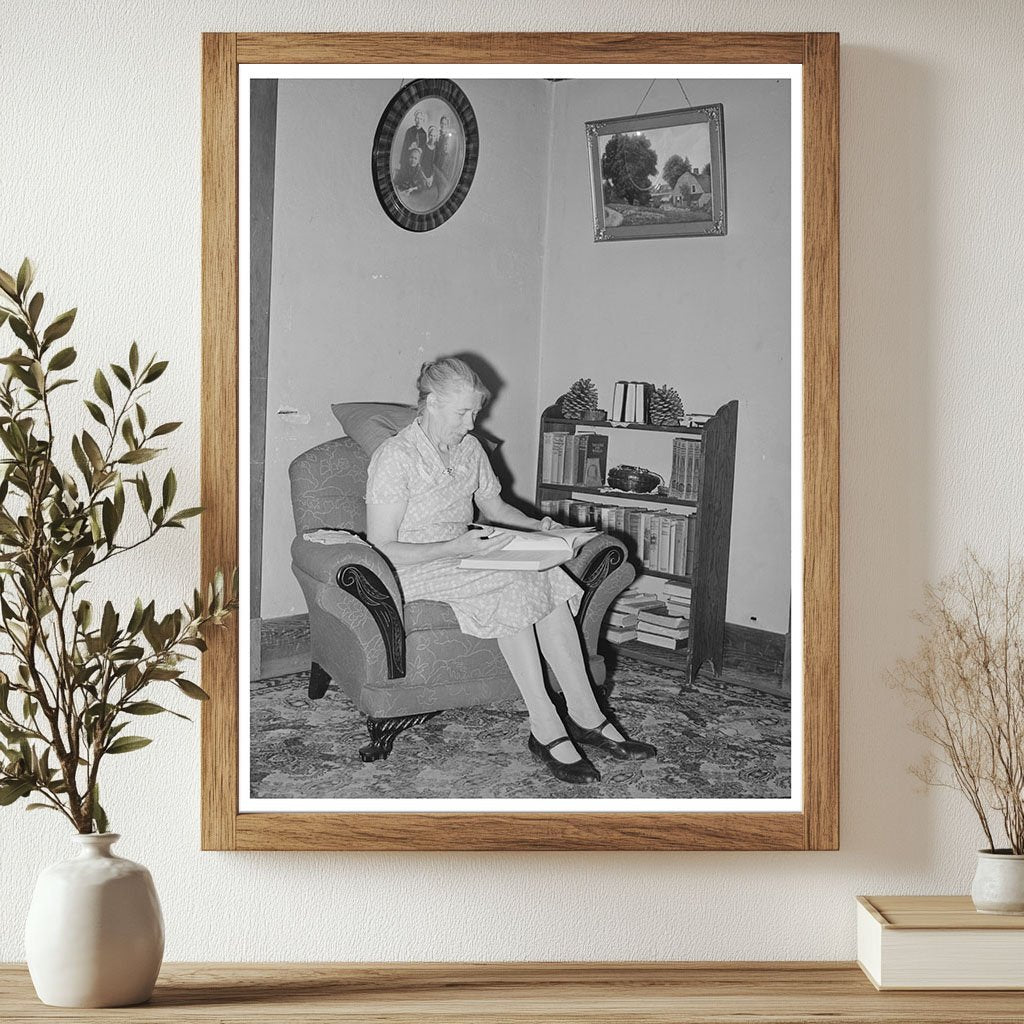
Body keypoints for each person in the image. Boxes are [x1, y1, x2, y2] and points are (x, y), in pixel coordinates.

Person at [365, 356, 656, 784]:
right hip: (416, 566)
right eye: (462, 412)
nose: (470, 423)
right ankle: (547, 727)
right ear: (430, 403)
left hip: (466, 554)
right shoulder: (395, 457)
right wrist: (455, 545)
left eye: (475, 413)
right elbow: (383, 547)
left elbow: (494, 507)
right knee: (515, 584)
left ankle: (585, 714)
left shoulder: (471, 449)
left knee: (540, 576)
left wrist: (542, 526)